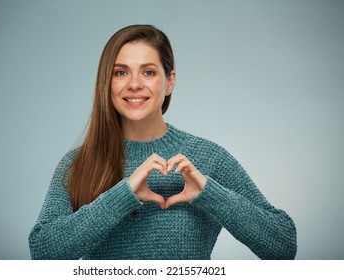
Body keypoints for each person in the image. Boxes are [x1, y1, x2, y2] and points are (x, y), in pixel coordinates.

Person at [28, 24, 297, 260]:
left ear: (169, 82)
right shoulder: (79, 163)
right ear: (106, 83)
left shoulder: (209, 159)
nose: (134, 84)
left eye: (148, 72)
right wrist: (123, 195)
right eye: (121, 73)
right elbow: (42, 251)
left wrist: (210, 193)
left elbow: (283, 244)